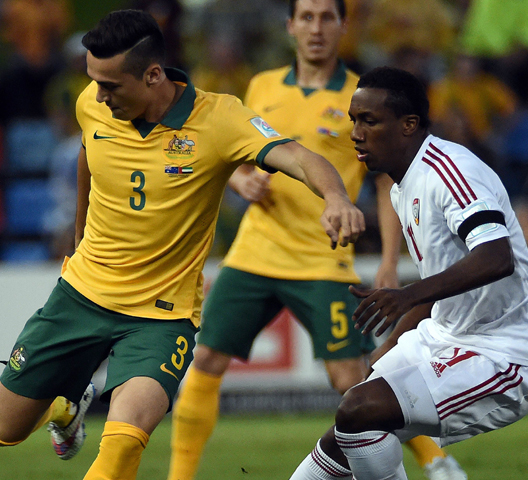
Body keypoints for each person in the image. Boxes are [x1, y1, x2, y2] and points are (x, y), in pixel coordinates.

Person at [0, 9, 365, 480]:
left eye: (111, 86)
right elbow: (89, 154)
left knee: (122, 444)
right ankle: (68, 405)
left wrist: (336, 197)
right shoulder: (93, 103)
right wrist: (78, 242)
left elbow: (300, 157)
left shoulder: (220, 118)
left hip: (161, 317)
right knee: (0, 430)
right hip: (81, 295)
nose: (98, 96)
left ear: (153, 74)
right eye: (94, 82)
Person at [168, 2, 466, 480]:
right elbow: (232, 153)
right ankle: (178, 477)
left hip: (322, 260)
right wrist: (241, 179)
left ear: (343, 27)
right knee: (204, 358)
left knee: (352, 378)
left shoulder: (360, 94)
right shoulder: (261, 86)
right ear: (290, 26)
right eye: (306, 17)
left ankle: (438, 462)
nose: (316, 28)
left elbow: (387, 181)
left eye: (327, 17)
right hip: (255, 252)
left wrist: (391, 260)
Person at [289, 66, 528, 480]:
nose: (355, 134)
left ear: (408, 125)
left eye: (369, 121)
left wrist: (407, 296)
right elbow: (450, 279)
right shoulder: (402, 185)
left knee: (359, 412)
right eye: (353, 120)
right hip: (447, 334)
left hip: (504, 350)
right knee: (344, 431)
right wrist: (396, 339)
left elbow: (496, 256)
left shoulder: (450, 172)